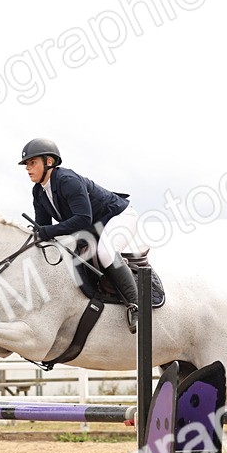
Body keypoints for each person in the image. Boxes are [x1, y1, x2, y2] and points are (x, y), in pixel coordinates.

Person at [19, 137, 145, 333]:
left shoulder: (67, 181)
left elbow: (82, 219)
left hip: (118, 217)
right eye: (26, 164)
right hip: (92, 227)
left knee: (105, 251)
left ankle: (136, 305)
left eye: (32, 163)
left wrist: (47, 231)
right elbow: (44, 228)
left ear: (49, 162)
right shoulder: (39, 192)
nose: (28, 168)